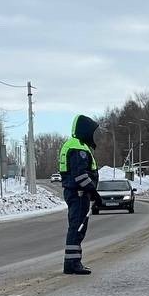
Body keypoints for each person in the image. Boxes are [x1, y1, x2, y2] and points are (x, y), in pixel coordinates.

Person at [59, 115, 100, 275]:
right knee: (77, 228)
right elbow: (80, 175)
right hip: (79, 193)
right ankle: (72, 264)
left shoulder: (73, 144)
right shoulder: (78, 148)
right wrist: (93, 192)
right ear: (84, 130)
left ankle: (73, 261)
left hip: (77, 193)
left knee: (77, 227)